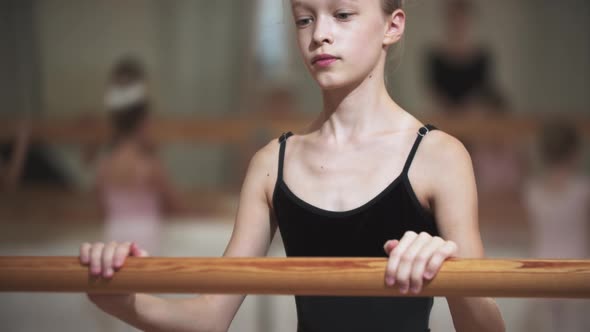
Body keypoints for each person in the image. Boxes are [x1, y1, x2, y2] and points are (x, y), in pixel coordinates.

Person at [80, 1, 505, 331]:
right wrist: (122, 298)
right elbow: (211, 317)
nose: (320, 34)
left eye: (341, 15)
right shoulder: (270, 164)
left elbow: (485, 327)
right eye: (304, 20)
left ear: (392, 26)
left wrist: (449, 272)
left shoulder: (441, 156)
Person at [94, 57, 187, 254]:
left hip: (113, 239)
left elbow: (101, 208)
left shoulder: (104, 165)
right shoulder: (149, 166)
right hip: (145, 242)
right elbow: (174, 206)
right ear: (144, 122)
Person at [524, 121, 589, 331]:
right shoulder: (583, 191)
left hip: (540, 270)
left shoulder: (532, 191)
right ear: (575, 153)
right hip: (578, 271)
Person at [426, 0, 506, 114]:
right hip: (444, 118)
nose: (459, 25)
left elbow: (483, 91)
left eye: (462, 20)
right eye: (455, 20)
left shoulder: (482, 57)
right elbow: (434, 92)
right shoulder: (435, 57)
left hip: (474, 120)